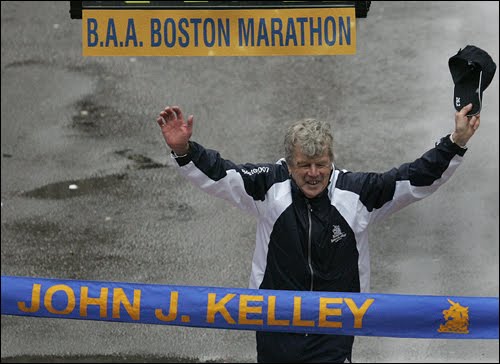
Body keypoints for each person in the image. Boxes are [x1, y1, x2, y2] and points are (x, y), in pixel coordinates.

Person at [155, 103, 480, 363]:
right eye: (304, 166)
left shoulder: (358, 193)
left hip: (334, 330)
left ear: (331, 161)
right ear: (288, 163)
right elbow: (220, 172)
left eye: (321, 165)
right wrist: (185, 150)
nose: (313, 174)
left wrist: (456, 142)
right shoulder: (268, 184)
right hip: (275, 325)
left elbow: (415, 178)